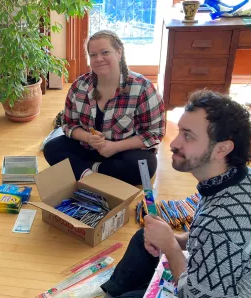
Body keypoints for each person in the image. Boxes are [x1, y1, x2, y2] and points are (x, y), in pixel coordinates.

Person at [59, 90, 251, 298]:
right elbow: (208, 236)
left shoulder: (224, 222)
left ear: (222, 149)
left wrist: (171, 247)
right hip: (231, 280)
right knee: (145, 238)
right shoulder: (240, 178)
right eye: (179, 131)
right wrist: (177, 240)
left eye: (188, 136)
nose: (174, 142)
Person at [43, 30, 165, 186]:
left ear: (119, 52)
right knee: (51, 148)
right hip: (88, 147)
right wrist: (88, 138)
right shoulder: (79, 86)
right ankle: (94, 174)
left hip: (123, 151)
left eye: (105, 52)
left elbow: (154, 134)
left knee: (145, 166)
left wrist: (114, 147)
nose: (98, 59)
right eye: (93, 55)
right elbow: (68, 125)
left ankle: (85, 170)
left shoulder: (143, 88)